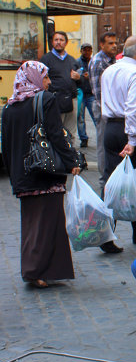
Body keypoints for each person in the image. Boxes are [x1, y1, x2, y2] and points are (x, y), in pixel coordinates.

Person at [1, 61, 81, 288]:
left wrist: (14, 174)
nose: (48, 82)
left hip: (23, 175)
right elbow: (56, 135)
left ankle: (44, 269)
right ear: (35, 79)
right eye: (45, 78)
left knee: (33, 224)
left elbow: (6, 145)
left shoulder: (10, 107)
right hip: (44, 172)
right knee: (47, 223)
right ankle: (34, 270)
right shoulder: (45, 100)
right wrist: (72, 161)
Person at [101, 36, 136, 249]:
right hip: (129, 132)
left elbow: (110, 102)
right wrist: (132, 139)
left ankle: (105, 235)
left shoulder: (110, 70)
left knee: (110, 181)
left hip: (111, 129)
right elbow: (131, 107)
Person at [40, 31, 81, 145]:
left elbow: (82, 81)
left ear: (66, 42)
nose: (58, 42)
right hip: (55, 100)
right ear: (52, 42)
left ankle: (70, 157)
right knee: (56, 131)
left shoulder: (72, 60)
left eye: (61, 40)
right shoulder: (46, 59)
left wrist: (79, 78)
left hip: (71, 100)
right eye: (56, 40)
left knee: (71, 133)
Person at [89, 32, 118, 190]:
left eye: (115, 43)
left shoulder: (113, 60)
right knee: (102, 143)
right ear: (102, 45)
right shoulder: (98, 62)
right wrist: (107, 111)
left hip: (113, 108)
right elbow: (97, 91)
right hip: (103, 109)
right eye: (110, 43)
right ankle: (103, 179)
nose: (114, 46)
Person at [76, 43, 96, 148]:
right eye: (85, 50)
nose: (87, 52)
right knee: (80, 117)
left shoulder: (94, 62)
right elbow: (74, 76)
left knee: (95, 116)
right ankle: (83, 138)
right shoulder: (77, 62)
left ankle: (99, 135)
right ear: (81, 51)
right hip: (80, 93)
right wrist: (81, 77)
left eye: (89, 50)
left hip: (91, 93)